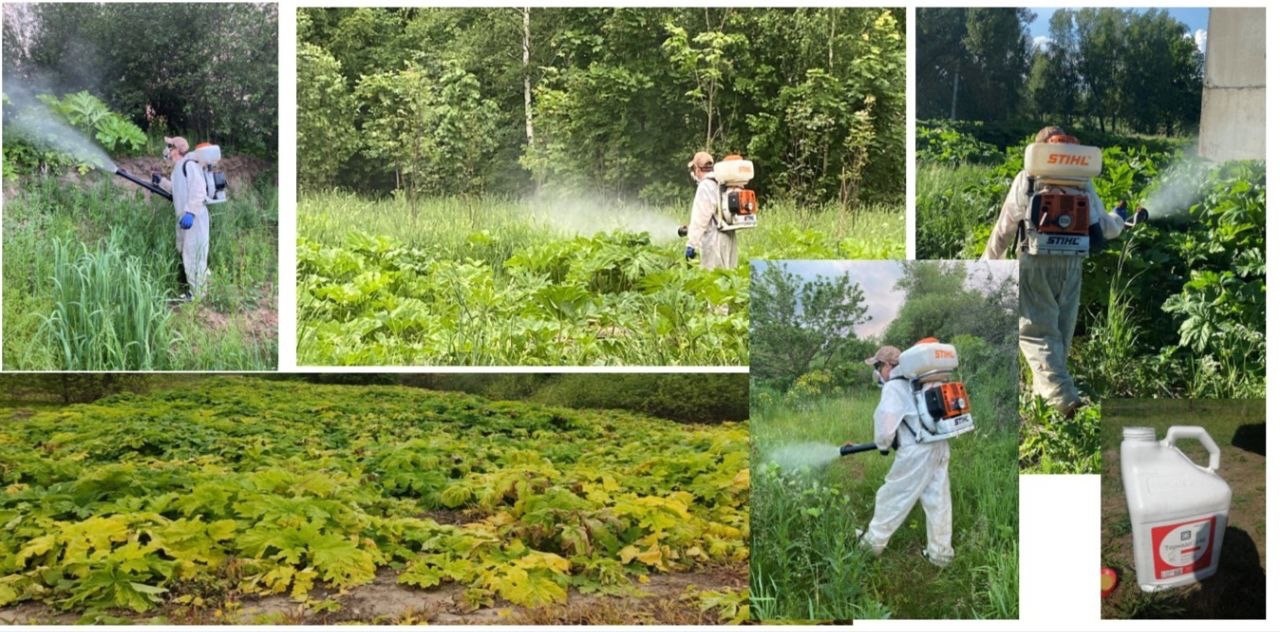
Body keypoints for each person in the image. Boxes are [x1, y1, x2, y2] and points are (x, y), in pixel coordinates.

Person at [981, 126, 1128, 417]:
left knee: (1036, 333)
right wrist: (1120, 216)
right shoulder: (1082, 183)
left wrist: (989, 263)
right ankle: (1045, 404)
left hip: (1036, 261)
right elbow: (1107, 229)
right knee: (1059, 332)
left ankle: (1063, 398)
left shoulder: (1027, 180)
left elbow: (1004, 229)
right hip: (1072, 264)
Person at [856, 345, 954, 567]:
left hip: (916, 452)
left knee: (892, 496)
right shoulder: (921, 381)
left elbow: (885, 426)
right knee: (938, 501)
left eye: (879, 366)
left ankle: (871, 545)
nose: (878, 372)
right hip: (939, 445)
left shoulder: (894, 387)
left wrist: (883, 445)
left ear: (889, 366)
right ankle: (940, 555)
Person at [154, 136, 211, 300]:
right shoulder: (178, 168)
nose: (166, 149)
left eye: (169, 146)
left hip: (195, 218)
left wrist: (191, 212)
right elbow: (177, 190)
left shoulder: (189, 164)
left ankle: (197, 295)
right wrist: (161, 182)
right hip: (185, 219)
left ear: (177, 149)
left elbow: (199, 190)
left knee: (193, 254)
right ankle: (200, 284)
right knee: (186, 250)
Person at [683, 151, 739, 270]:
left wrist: (691, 244)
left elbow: (701, 218)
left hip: (714, 241)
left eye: (693, 169)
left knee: (714, 280)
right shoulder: (722, 182)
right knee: (729, 277)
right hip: (729, 236)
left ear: (697, 169)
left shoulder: (705, 185)